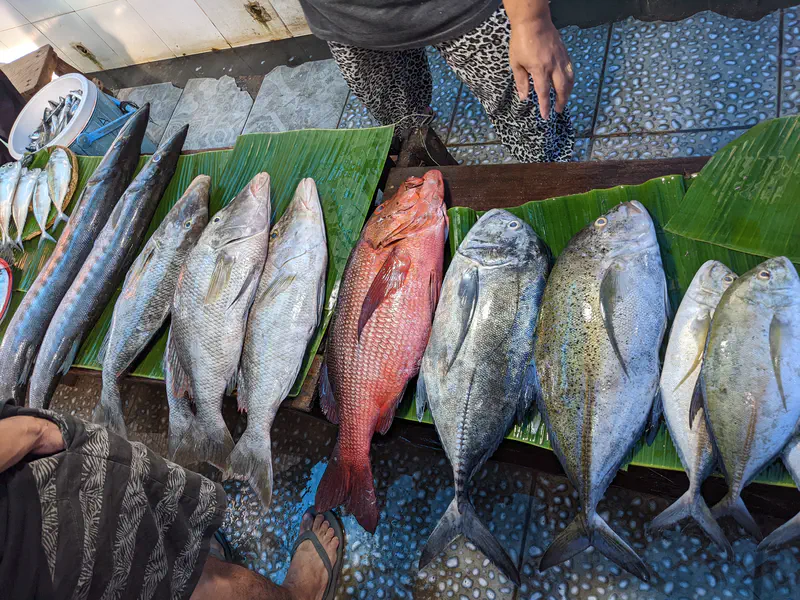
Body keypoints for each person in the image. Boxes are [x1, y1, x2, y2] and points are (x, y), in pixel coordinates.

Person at [0, 400, 343, 600]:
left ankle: (187, 558)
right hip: (30, 527)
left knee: (163, 549)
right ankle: (298, 595)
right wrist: (34, 431)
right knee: (180, 580)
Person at [299, 0, 575, 162]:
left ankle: (547, 162)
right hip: (343, 15)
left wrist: (531, 20)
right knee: (397, 116)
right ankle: (420, 148)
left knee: (528, 103)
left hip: (466, 6)